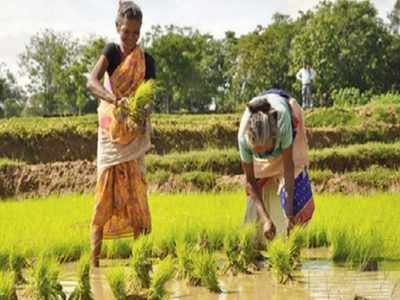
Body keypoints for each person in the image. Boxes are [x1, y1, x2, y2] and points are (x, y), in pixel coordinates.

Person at [86, 1, 156, 267]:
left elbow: (149, 96)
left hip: (133, 133)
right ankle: (93, 266)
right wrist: (114, 99)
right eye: (126, 32)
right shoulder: (111, 52)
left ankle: (142, 263)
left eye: (135, 33)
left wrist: (140, 111)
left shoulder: (146, 60)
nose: (130, 38)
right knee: (104, 193)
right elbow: (91, 81)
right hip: (110, 130)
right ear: (118, 28)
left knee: (138, 193)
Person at [238, 89, 314, 244]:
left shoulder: (283, 125)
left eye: (267, 150)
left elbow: (289, 168)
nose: (265, 156)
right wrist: (266, 219)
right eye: (258, 152)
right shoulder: (243, 138)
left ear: (274, 139)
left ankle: (290, 243)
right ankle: (258, 243)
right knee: (259, 187)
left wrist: (289, 214)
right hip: (263, 128)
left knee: (296, 184)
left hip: (288, 115)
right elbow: (251, 181)